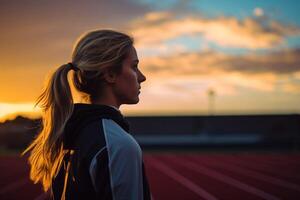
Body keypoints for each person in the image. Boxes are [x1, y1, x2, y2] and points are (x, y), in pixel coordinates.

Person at [23, 29, 151, 200]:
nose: (142, 77)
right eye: (134, 66)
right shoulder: (118, 145)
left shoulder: (70, 134)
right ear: (110, 74)